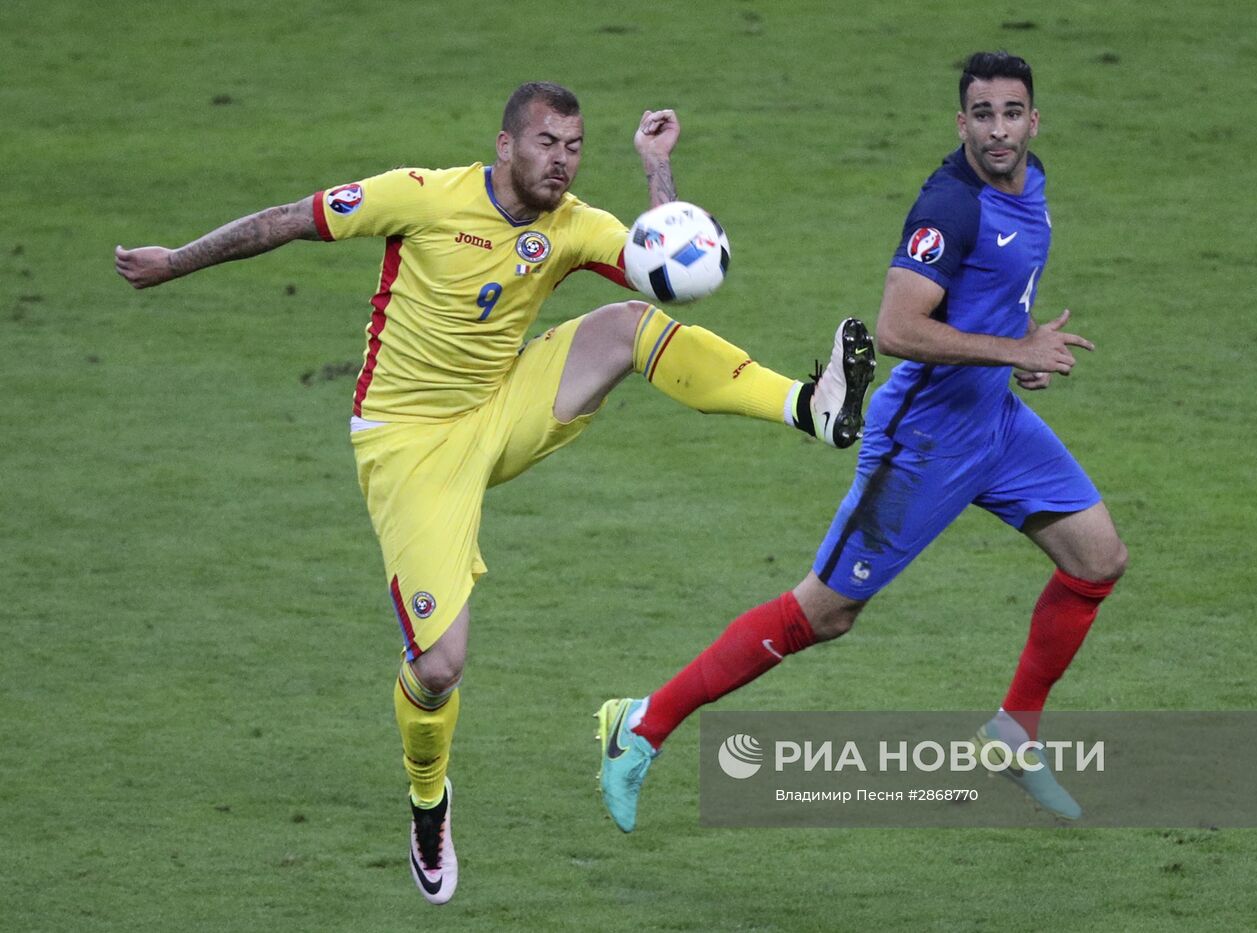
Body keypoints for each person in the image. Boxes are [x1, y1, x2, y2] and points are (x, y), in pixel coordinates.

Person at [115, 81, 877, 905]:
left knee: (629, 325)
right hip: (407, 445)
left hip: (501, 404)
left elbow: (670, 265)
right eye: (549, 143)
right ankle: (428, 796)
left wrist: (658, 169)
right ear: (506, 144)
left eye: (576, 146)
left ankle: (813, 407)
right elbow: (291, 219)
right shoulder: (423, 196)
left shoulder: (573, 223)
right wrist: (177, 259)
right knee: (439, 666)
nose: (563, 161)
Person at [597, 51, 1128, 832]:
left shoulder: (1033, 181)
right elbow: (897, 328)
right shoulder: (949, 207)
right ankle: (642, 723)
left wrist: (1021, 340)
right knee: (825, 613)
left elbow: (990, 295)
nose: (999, 130)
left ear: (1033, 119)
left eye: (1012, 113)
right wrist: (1016, 353)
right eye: (983, 115)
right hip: (924, 440)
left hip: (996, 423)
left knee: (1098, 559)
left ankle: (1014, 732)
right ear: (962, 123)